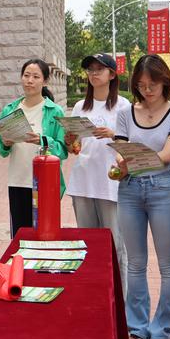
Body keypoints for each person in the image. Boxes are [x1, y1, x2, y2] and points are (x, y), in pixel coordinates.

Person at [113, 54, 170, 339]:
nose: (147, 90)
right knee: (135, 263)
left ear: (164, 82)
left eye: (153, 84)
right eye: (141, 85)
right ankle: (137, 325)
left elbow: (167, 156)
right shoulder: (125, 113)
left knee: (167, 264)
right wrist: (122, 162)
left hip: (161, 190)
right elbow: (119, 150)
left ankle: (162, 329)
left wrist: (130, 161)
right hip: (129, 190)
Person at [64, 52, 131, 293]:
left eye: (99, 69)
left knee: (116, 245)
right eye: (90, 69)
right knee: (87, 244)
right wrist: (70, 141)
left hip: (111, 182)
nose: (93, 74)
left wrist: (113, 134)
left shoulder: (123, 106)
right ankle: (93, 295)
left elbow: (132, 143)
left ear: (112, 74)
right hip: (83, 181)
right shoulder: (80, 106)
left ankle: (120, 300)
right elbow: (74, 148)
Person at [0, 59, 67, 238]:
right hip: (17, 181)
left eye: (36, 77)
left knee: (44, 235)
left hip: (45, 183)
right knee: (20, 236)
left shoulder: (55, 111)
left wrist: (42, 141)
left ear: (45, 81)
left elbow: (62, 150)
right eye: (26, 75)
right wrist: (6, 143)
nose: (30, 80)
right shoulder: (10, 110)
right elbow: (2, 150)